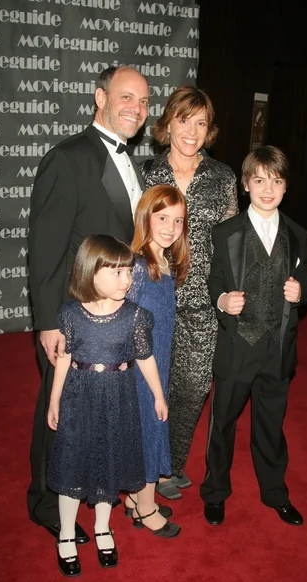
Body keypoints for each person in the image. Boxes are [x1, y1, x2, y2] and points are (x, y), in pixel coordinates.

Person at [27, 65, 149, 543]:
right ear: (100, 97)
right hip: (75, 315)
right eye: (125, 97)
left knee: (105, 409)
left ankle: (96, 484)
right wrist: (48, 323)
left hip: (117, 313)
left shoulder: (132, 162)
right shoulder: (68, 158)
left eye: (142, 102)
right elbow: (45, 248)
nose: (136, 109)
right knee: (59, 410)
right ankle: (45, 503)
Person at [200, 145, 307, 527]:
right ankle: (215, 491)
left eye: (277, 181)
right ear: (246, 185)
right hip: (238, 345)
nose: (269, 188)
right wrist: (222, 298)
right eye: (260, 180)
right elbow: (214, 278)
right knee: (223, 423)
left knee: (271, 423)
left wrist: (303, 291)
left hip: (276, 346)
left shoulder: (297, 234)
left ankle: (275, 492)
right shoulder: (226, 232)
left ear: (285, 187)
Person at [46, 234, 168, 576]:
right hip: (79, 398)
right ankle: (67, 534)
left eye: (129, 272)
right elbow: (64, 358)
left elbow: (146, 359)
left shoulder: (136, 316)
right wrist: (54, 400)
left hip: (118, 398)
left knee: (108, 462)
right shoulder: (70, 315)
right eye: (116, 272)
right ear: (90, 271)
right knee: (73, 463)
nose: (126, 280)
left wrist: (158, 395)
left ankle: (103, 527)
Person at [140, 85, 239, 500]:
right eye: (184, 120)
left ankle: (171, 464)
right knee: (151, 385)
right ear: (168, 123)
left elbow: (234, 241)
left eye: (201, 123)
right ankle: (147, 468)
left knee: (194, 386)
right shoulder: (145, 172)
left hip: (202, 302)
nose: (192, 131)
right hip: (153, 295)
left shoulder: (222, 177)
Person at [125, 184, 190, 536]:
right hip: (142, 366)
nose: (169, 227)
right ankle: (146, 507)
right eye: (162, 218)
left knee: (151, 425)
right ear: (145, 218)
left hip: (158, 359)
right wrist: (152, 383)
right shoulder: (137, 267)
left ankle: (136, 497)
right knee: (150, 425)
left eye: (178, 221)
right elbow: (130, 331)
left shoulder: (164, 261)